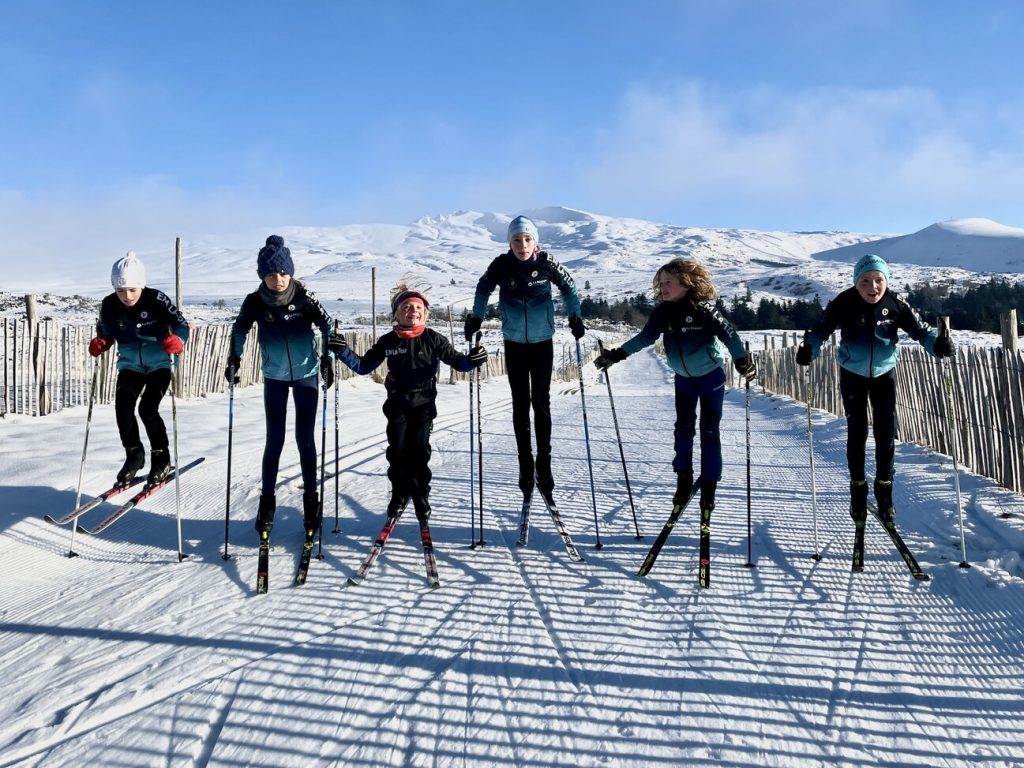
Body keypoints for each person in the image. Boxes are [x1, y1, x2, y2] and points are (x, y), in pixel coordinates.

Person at [795, 253, 954, 521]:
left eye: (878, 280)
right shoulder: (843, 302)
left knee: (885, 433)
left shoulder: (896, 304)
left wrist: (937, 347)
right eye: (865, 281)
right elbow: (820, 331)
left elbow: (921, 331)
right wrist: (809, 349)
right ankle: (858, 490)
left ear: (886, 280)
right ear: (856, 282)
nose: (873, 287)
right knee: (856, 431)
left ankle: (884, 492)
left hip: (884, 374)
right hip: (852, 373)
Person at [593, 258, 754, 515]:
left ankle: (710, 484)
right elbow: (646, 337)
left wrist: (741, 360)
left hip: (710, 376)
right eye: (660, 283)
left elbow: (730, 335)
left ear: (686, 284)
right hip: (683, 378)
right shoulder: (662, 312)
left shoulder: (704, 310)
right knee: (683, 429)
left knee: (709, 430)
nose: (663, 287)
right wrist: (616, 354)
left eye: (669, 282)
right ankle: (683, 478)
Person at [329, 282, 487, 521]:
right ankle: (400, 494)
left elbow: (458, 363)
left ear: (425, 313)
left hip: (424, 402)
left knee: (419, 451)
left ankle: (421, 494)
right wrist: (342, 351)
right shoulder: (388, 341)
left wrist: (474, 359)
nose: (413, 311)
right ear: (396, 314)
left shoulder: (434, 339)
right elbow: (363, 366)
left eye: (418, 307)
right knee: (398, 451)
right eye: (406, 307)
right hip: (397, 402)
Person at [463, 215, 585, 505]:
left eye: (527, 239)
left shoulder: (548, 263)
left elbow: (570, 288)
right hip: (514, 342)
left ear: (535, 241)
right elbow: (483, 288)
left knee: (541, 402)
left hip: (543, 342)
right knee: (520, 403)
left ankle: (544, 463)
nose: (522, 245)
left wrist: (575, 315)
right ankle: (524, 467)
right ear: (510, 242)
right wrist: (477, 316)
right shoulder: (501, 265)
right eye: (516, 240)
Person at [226, 234, 335, 538]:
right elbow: (239, 330)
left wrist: (326, 358)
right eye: (272, 274)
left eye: (284, 272)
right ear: (263, 275)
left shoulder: (305, 297)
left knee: (305, 439)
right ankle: (267, 503)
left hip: (306, 375)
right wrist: (234, 358)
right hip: (274, 375)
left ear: (292, 272)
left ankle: (311, 501)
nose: (278, 279)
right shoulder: (254, 301)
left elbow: (328, 325)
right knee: (274, 440)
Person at [89, 251, 190, 488]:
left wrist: (178, 340)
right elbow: (107, 332)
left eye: (132, 289)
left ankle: (161, 458)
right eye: (121, 290)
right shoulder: (109, 305)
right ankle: (134, 455)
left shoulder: (156, 299)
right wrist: (102, 342)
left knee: (147, 408)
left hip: (159, 364)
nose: (127, 295)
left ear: (141, 285)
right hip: (130, 365)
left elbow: (181, 325)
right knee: (123, 407)